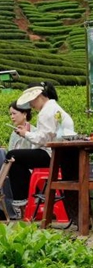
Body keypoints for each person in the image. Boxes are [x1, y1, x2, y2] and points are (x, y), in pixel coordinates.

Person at [7, 82, 76, 218]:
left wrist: (25, 134)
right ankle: (25, 199)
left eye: (31, 101)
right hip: (59, 153)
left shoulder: (46, 112)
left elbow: (42, 140)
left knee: (12, 156)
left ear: (38, 96)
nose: (31, 105)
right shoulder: (53, 108)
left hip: (51, 154)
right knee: (16, 160)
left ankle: (22, 201)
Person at [0, 102, 37, 218]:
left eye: (14, 113)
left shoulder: (34, 132)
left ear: (24, 114)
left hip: (30, 169)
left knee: (13, 162)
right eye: (10, 114)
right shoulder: (14, 133)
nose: (12, 117)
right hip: (17, 168)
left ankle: (22, 208)